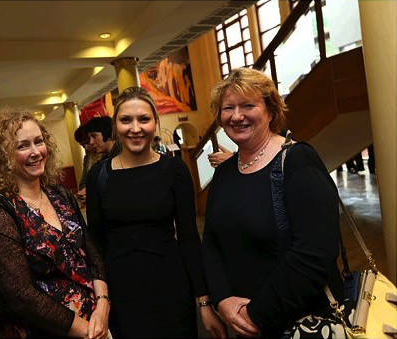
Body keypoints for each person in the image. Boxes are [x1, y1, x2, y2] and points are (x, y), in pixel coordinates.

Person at [202, 67, 344, 337]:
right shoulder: (224, 173)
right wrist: (222, 300)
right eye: (228, 108)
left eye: (248, 105)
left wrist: (256, 315)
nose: (237, 116)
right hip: (241, 321)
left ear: (270, 109)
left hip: (300, 324)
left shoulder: (297, 162)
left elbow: (314, 252)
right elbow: (211, 241)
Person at [86, 87, 226, 338]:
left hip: (171, 287)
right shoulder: (99, 176)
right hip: (122, 292)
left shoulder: (175, 170)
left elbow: (189, 237)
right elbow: (95, 244)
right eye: (126, 120)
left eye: (144, 119)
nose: (135, 128)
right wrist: (102, 300)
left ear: (155, 122)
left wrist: (204, 302)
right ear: (115, 126)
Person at [0, 109, 110, 338]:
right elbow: (21, 295)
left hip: (96, 320)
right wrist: (86, 331)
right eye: (23, 146)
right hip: (50, 330)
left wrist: (103, 305)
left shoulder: (59, 194)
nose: (36, 152)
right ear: (2, 156)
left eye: (39, 142)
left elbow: (92, 253)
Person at [74, 124, 102, 204]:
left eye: (87, 142)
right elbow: (83, 182)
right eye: (82, 145)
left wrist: (90, 191)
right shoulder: (87, 158)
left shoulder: (106, 154)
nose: (86, 147)